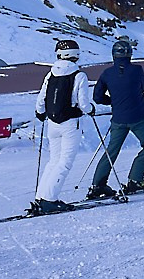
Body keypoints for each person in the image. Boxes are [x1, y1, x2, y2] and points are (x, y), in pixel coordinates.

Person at [27, 40, 96, 215]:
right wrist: (91, 110)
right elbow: (83, 104)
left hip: (52, 123)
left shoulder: (51, 74)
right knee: (65, 162)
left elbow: (41, 99)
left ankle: (41, 197)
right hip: (70, 124)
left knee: (53, 161)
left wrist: (40, 113)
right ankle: (49, 200)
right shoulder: (79, 75)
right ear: (76, 55)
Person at [90, 36, 144, 199]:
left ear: (114, 55)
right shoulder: (137, 70)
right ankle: (135, 180)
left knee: (111, 151)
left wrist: (113, 100)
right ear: (130, 54)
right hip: (138, 117)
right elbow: (143, 86)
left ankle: (98, 185)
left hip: (118, 119)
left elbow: (97, 97)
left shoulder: (107, 73)